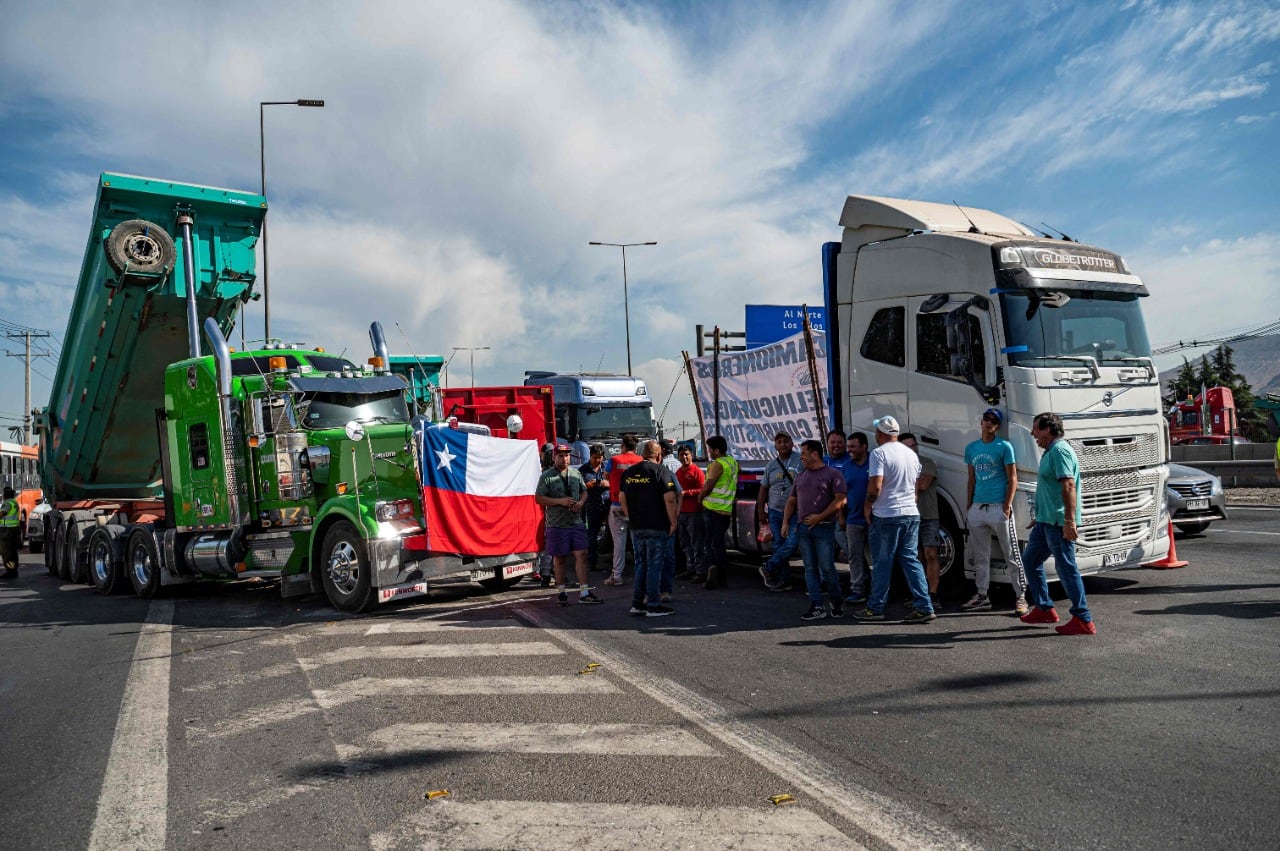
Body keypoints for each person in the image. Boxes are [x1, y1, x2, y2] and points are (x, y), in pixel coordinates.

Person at [851, 416, 935, 623]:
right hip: (910, 513)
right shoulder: (911, 454)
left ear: (880, 434)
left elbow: (876, 486)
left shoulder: (879, 453)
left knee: (882, 562)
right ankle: (924, 606)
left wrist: (867, 505)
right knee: (911, 560)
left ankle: (875, 608)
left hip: (887, 514)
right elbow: (915, 489)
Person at [1019, 412, 1095, 635]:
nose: (1033, 434)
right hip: (1045, 522)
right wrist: (1040, 515)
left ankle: (1083, 618)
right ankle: (1044, 608)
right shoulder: (1051, 451)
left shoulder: (1060, 451)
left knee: (1066, 567)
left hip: (1058, 523)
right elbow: (1049, 487)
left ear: (1048, 429)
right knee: (1030, 560)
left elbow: (1068, 486)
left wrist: (1069, 521)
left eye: (1036, 429)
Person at [962, 408, 1028, 614]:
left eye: (993, 421)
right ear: (981, 422)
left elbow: (1013, 478)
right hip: (978, 508)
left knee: (1011, 554)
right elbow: (971, 478)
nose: (989, 423)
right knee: (981, 555)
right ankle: (982, 595)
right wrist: (969, 505)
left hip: (999, 507)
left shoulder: (1004, 446)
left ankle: (1021, 596)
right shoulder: (971, 448)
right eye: (986, 419)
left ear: (998, 426)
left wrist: (1007, 505)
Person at [782, 440, 847, 620]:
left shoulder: (833, 474)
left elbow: (840, 499)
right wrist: (786, 522)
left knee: (827, 568)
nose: (801, 457)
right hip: (803, 529)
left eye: (803, 453)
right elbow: (792, 501)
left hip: (824, 529)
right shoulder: (800, 476)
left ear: (815, 454)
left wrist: (820, 517)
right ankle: (817, 605)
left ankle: (836, 600)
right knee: (809, 568)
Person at [534, 444, 603, 605]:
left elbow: (584, 490)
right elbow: (538, 498)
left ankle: (584, 592)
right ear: (554, 457)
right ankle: (562, 593)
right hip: (557, 524)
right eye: (561, 456)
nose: (564, 459)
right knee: (560, 559)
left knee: (582, 555)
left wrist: (580, 503)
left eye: (566, 455)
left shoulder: (575, 473)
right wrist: (560, 501)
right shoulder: (547, 476)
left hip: (575, 522)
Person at [620, 440, 678, 617]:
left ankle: (638, 604)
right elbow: (670, 498)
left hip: (636, 525)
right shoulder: (662, 471)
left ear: (642, 454)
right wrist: (673, 521)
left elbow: (622, 497)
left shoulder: (629, 472)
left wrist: (631, 515)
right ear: (659, 455)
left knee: (640, 564)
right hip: (657, 525)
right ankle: (653, 604)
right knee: (654, 565)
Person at [900, 433, 941, 611]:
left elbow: (923, 486)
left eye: (914, 445)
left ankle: (933, 594)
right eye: (908, 447)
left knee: (931, 553)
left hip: (929, 515)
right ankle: (920, 593)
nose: (913, 449)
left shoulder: (927, 463)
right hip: (909, 516)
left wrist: (903, 479)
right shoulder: (900, 464)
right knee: (916, 557)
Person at [757, 432, 802, 590]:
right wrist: (761, 511)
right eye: (779, 442)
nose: (783, 445)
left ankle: (768, 567)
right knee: (778, 544)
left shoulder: (800, 461)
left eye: (786, 441)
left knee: (791, 543)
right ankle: (784, 580)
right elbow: (763, 489)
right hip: (775, 512)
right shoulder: (771, 465)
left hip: (796, 512)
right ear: (775, 446)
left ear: (792, 443)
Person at [603, 434, 644, 587]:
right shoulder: (641, 460)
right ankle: (641, 573)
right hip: (637, 506)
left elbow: (606, 477)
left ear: (623, 445)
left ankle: (617, 576)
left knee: (618, 543)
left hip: (617, 504)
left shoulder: (614, 460)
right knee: (638, 542)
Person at [699, 435, 738, 589]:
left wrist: (700, 497)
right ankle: (722, 577)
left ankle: (712, 575)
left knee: (709, 545)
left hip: (712, 510)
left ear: (716, 450)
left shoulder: (717, 464)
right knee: (719, 545)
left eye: (710, 449)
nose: (709, 452)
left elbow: (708, 485)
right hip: (725, 510)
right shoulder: (732, 462)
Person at [841, 432, 871, 606]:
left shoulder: (874, 464)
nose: (849, 450)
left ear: (864, 446)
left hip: (874, 519)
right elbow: (841, 494)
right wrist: (840, 515)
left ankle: (880, 590)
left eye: (853, 446)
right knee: (854, 556)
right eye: (848, 446)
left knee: (878, 556)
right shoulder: (846, 467)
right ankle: (857, 590)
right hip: (853, 518)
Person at [674, 445, 706, 582]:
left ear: (691, 455)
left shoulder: (697, 471)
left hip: (694, 512)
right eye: (681, 455)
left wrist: (686, 493)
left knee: (696, 543)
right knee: (685, 543)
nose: (684, 457)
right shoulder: (678, 472)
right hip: (681, 512)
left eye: (686, 454)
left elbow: (702, 489)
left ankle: (700, 571)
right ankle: (690, 568)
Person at [578, 444, 610, 572]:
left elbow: (612, 482)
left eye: (600, 457)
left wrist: (598, 483)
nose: (598, 460)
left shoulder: (607, 467)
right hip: (592, 506)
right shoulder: (583, 470)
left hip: (608, 504)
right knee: (592, 535)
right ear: (590, 456)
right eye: (596, 457)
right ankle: (592, 563)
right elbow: (580, 488)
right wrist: (587, 485)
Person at [824, 430, 854, 562]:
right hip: (826, 512)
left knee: (850, 548)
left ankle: (864, 575)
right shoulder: (823, 461)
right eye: (833, 442)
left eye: (840, 442)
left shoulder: (850, 461)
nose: (836, 445)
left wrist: (841, 514)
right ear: (827, 443)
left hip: (845, 511)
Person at [0, 487, 19, 579]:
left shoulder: (7, 503)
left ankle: (10, 571)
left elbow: (2, 513)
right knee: (13, 551)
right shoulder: (14, 502)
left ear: (5, 495)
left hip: (8, 530)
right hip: (14, 529)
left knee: (7, 552)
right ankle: (14, 570)